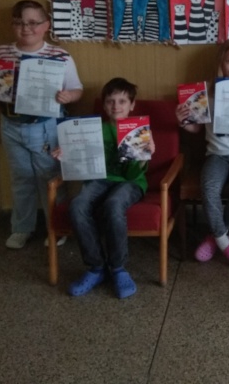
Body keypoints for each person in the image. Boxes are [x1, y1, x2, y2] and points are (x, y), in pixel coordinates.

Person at [0, 0, 83, 250]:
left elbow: (77, 89)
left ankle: (57, 227)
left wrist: (69, 96)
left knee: (50, 178)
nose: (26, 28)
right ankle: (22, 227)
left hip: (44, 126)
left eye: (33, 23)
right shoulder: (2, 52)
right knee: (21, 178)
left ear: (46, 25)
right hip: (10, 124)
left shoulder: (60, 55)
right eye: (19, 23)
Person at [56, 77, 155, 299]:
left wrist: (142, 156)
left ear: (132, 105)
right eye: (110, 101)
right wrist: (65, 154)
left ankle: (118, 267)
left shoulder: (138, 131)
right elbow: (79, 161)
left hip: (131, 182)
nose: (116, 106)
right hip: (99, 179)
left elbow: (132, 175)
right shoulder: (94, 129)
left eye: (122, 101)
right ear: (104, 104)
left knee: (114, 204)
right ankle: (96, 267)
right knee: (77, 205)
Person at [176, 40, 229, 270]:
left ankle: (213, 237)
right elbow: (197, 128)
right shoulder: (205, 93)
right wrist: (183, 121)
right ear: (221, 63)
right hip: (216, 154)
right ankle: (225, 243)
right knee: (209, 188)